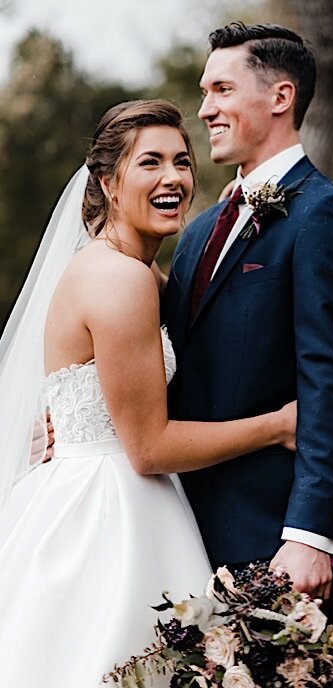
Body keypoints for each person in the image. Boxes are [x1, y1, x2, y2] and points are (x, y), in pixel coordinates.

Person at [0, 100, 298, 686]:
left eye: (183, 162)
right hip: (111, 512)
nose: (173, 178)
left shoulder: (136, 271)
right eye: (151, 163)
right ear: (108, 183)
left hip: (89, 489)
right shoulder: (121, 279)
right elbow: (149, 447)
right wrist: (281, 425)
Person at [163, 21, 333, 682]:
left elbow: (332, 381)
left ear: (281, 96)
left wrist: (309, 536)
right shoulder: (197, 231)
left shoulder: (326, 217)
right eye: (205, 91)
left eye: (222, 88)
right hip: (179, 532)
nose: (205, 109)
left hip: (273, 536)